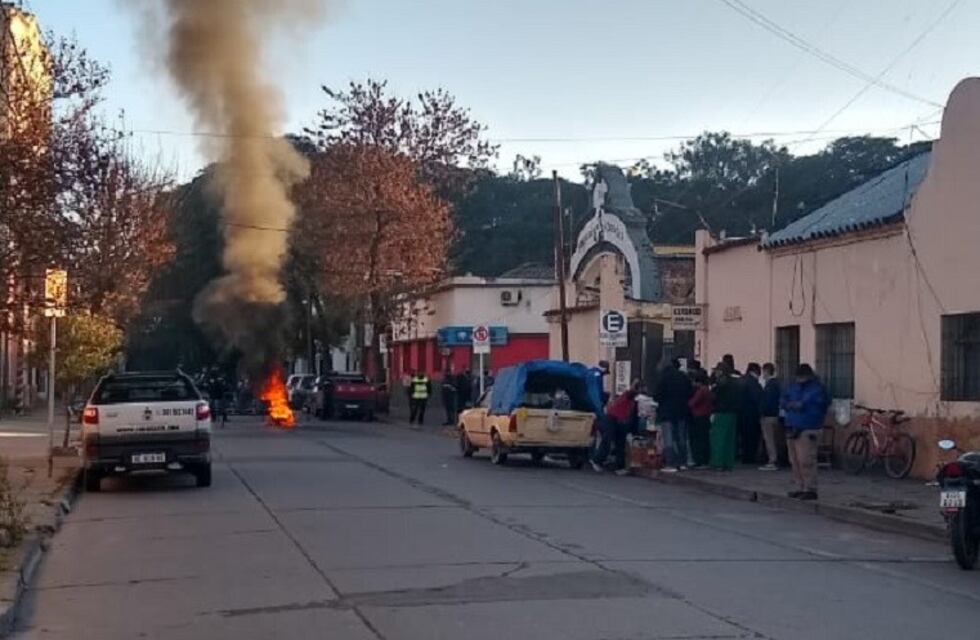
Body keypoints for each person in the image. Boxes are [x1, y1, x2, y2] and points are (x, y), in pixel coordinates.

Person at [782, 364, 829, 500]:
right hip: (792, 425)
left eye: (801, 377)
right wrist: (788, 404)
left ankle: (810, 488)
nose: (799, 379)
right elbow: (784, 399)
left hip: (809, 427)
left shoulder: (817, 388)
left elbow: (813, 403)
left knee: (806, 460)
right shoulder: (793, 386)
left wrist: (798, 404)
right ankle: (800, 487)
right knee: (794, 460)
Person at [591, 379, 640, 475]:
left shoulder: (630, 399)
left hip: (619, 419)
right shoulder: (629, 395)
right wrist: (635, 385)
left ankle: (618, 466)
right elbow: (632, 391)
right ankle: (598, 460)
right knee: (608, 439)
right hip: (613, 418)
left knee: (619, 442)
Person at [654, 359, 693, 472]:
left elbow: (657, 395)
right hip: (682, 411)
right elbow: (690, 392)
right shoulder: (683, 376)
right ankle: (683, 462)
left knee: (669, 438)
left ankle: (670, 464)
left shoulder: (664, 378)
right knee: (681, 438)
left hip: (667, 412)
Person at [709, 363, 739, 470]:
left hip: (721, 412)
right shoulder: (735, 382)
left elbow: (713, 397)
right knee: (729, 439)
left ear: (720, 372)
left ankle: (718, 462)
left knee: (719, 438)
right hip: (733, 413)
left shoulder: (720, 383)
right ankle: (728, 462)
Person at [738, 362, 764, 465]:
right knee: (752, 437)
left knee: (745, 437)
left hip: (742, 413)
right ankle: (750, 457)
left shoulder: (742, 380)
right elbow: (757, 397)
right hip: (751, 414)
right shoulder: (753, 383)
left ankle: (746, 457)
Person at [687, 370, 713, 468]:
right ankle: (706, 460)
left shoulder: (701, 391)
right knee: (705, 439)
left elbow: (692, 403)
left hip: (698, 416)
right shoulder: (708, 390)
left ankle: (700, 461)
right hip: (706, 416)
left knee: (698, 440)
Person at [759, 363, 782, 471]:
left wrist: (762, 411)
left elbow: (767, 401)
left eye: (763, 371)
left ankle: (772, 460)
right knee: (773, 439)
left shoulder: (771, 385)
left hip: (768, 415)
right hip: (774, 414)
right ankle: (773, 459)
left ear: (767, 371)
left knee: (770, 440)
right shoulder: (776, 384)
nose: (762, 374)